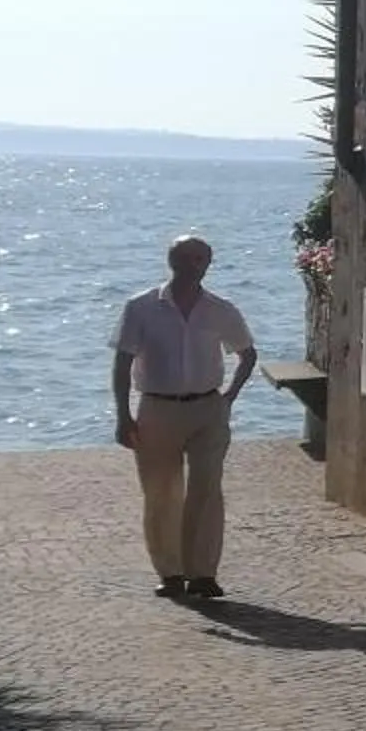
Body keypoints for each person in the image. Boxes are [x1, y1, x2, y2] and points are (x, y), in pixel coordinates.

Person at [110, 235, 258, 602]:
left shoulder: (220, 309)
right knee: (161, 492)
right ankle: (171, 572)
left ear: (208, 263)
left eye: (200, 258)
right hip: (157, 408)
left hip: (207, 407)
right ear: (171, 261)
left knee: (207, 488)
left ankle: (203, 573)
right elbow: (123, 361)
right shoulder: (141, 307)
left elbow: (247, 354)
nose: (194, 264)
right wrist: (123, 414)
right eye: (186, 258)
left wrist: (229, 397)